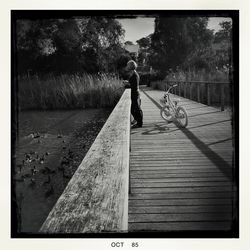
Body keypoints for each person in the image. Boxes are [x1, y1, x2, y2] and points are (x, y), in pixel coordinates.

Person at [123, 60, 143, 128]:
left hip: (135, 94)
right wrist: (128, 82)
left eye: (128, 65)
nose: (127, 66)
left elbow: (134, 86)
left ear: (131, 66)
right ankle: (137, 121)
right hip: (134, 93)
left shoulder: (135, 75)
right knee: (133, 109)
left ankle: (139, 123)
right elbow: (133, 83)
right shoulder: (133, 74)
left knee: (137, 109)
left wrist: (127, 84)